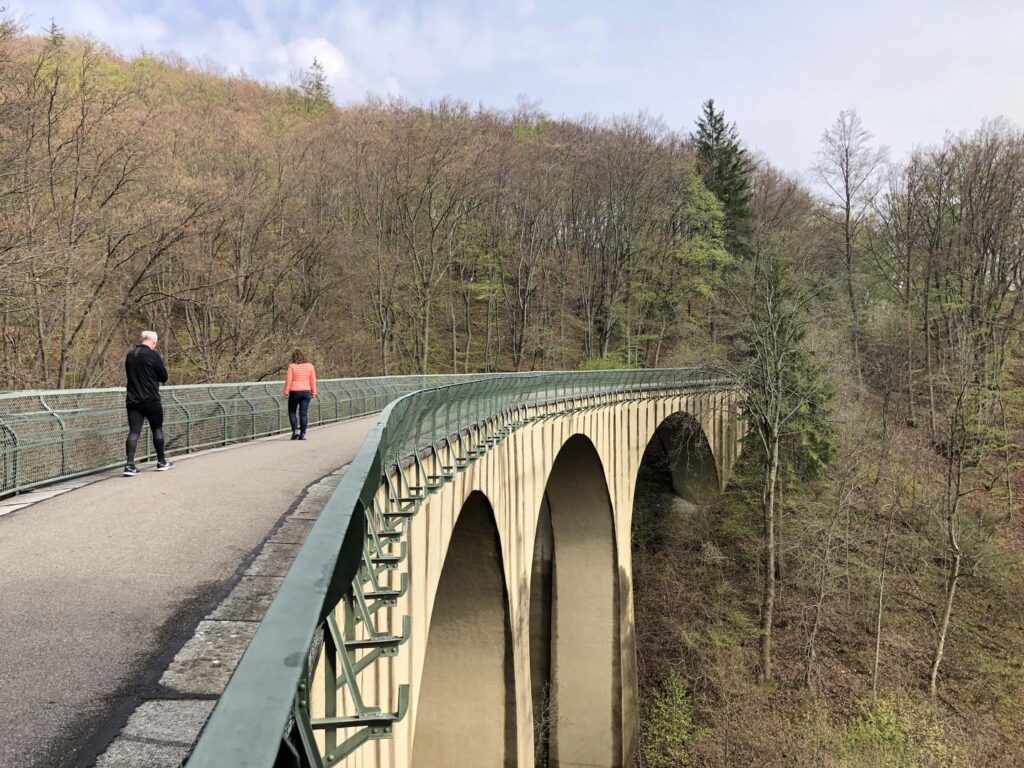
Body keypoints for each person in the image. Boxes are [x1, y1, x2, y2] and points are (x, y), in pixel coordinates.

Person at [124, 330, 173, 476]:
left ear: (141, 339)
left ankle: (130, 465)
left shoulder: (130, 355)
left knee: (134, 432)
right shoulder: (153, 355)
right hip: (151, 399)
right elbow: (163, 377)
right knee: (157, 429)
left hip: (133, 400)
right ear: (154, 342)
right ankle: (161, 461)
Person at [284, 348, 317, 440]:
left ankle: (295, 431)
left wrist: (286, 391)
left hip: (295, 392)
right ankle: (303, 434)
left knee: (292, 411)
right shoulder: (310, 366)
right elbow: (313, 380)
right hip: (306, 392)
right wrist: (314, 392)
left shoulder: (292, 366)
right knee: (303, 414)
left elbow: (289, 380)